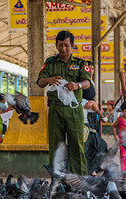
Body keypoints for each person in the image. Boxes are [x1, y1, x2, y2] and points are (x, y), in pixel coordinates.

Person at [37, 30, 91, 175]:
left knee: (76, 144)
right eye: (60, 45)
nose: (63, 49)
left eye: (66, 45)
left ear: (72, 45)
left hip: (74, 110)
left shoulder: (80, 63)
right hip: (55, 109)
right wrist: (49, 80)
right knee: (56, 145)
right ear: (56, 45)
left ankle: (79, 178)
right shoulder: (50, 63)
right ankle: (57, 178)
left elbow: (88, 83)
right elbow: (40, 82)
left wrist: (77, 85)